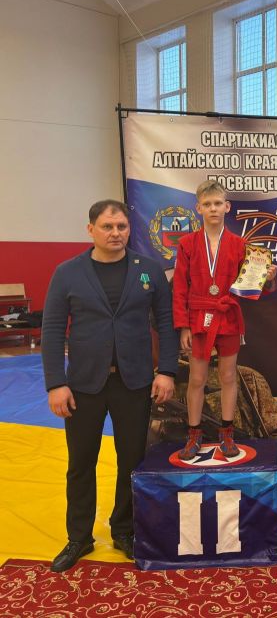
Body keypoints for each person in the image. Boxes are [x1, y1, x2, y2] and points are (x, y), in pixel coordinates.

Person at [42, 200, 178, 572]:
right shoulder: (67, 273)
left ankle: (124, 531)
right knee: (80, 463)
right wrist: (56, 383)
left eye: (121, 226)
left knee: (131, 460)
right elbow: (51, 331)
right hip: (83, 385)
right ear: (91, 230)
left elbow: (166, 323)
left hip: (134, 382)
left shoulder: (148, 270)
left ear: (129, 229)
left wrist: (166, 371)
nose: (115, 233)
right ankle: (79, 537)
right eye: (107, 226)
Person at [172, 180, 277, 459]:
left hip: (227, 315)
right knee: (197, 378)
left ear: (227, 207)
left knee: (229, 376)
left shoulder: (240, 245)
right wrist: (183, 325)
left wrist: (267, 278)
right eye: (207, 204)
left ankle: (227, 434)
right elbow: (180, 287)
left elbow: (251, 285)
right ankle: (194, 435)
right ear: (198, 208)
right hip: (198, 317)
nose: (213, 208)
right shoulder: (186, 244)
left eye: (218, 203)